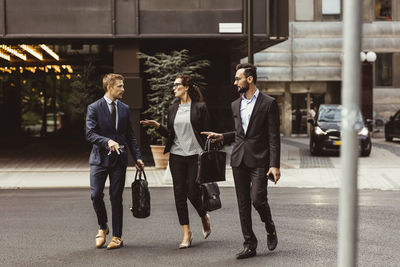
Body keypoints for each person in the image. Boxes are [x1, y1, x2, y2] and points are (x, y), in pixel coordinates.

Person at [201, 63, 281, 259]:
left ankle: (269, 225)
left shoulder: (268, 103)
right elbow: (240, 134)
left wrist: (275, 165)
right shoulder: (235, 104)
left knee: (258, 199)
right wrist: (222, 136)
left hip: (260, 160)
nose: (235, 82)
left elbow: (273, 137)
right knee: (243, 203)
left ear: (250, 79)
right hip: (239, 159)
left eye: (238, 78)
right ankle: (249, 244)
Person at [140, 74, 211, 249]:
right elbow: (171, 134)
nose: (174, 88)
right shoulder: (172, 109)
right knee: (179, 194)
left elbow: (207, 133)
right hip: (177, 155)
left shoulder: (200, 108)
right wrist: (158, 126)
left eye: (177, 85)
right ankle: (187, 233)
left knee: (193, 192)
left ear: (186, 87)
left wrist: (209, 155)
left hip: (195, 155)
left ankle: (203, 215)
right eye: (173, 85)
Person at [86, 73, 144, 249]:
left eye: (123, 85)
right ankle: (103, 227)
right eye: (120, 86)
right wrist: (107, 141)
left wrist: (138, 157)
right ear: (109, 87)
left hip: (119, 160)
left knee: (116, 198)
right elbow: (90, 134)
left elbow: (130, 135)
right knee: (95, 195)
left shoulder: (125, 108)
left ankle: (117, 236)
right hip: (99, 159)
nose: (123, 89)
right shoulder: (94, 108)